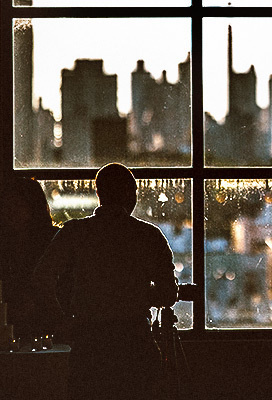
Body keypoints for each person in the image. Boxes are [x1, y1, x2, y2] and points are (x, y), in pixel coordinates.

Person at [32, 163, 178, 400]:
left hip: (89, 344)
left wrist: (61, 321)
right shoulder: (149, 237)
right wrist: (135, 293)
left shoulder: (75, 232)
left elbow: (41, 278)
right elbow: (168, 295)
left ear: (99, 193)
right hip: (135, 342)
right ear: (132, 195)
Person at [0, 177, 58, 341]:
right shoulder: (7, 244)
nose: (9, 210)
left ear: (33, 207)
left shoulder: (53, 241)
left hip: (45, 323)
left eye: (16, 205)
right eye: (6, 205)